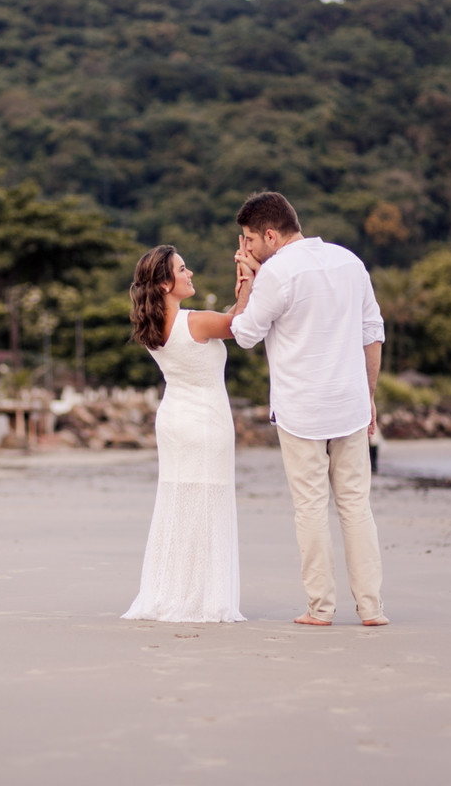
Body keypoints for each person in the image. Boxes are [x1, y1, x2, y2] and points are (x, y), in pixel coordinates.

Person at [229, 191, 389, 627]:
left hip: (301, 409)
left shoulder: (276, 273)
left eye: (248, 239)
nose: (245, 248)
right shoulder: (349, 261)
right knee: (356, 506)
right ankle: (371, 608)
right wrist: (369, 394)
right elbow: (372, 332)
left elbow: (244, 334)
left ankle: (321, 608)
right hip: (351, 403)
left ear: (269, 234)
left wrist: (246, 280)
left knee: (312, 508)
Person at [122, 244, 249, 623]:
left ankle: (170, 590)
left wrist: (243, 284)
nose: (189, 273)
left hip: (174, 420)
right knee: (207, 505)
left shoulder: (154, 327)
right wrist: (247, 272)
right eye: (182, 269)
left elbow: (226, 318)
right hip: (206, 423)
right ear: (164, 283)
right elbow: (238, 322)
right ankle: (202, 597)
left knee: (177, 503)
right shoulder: (193, 321)